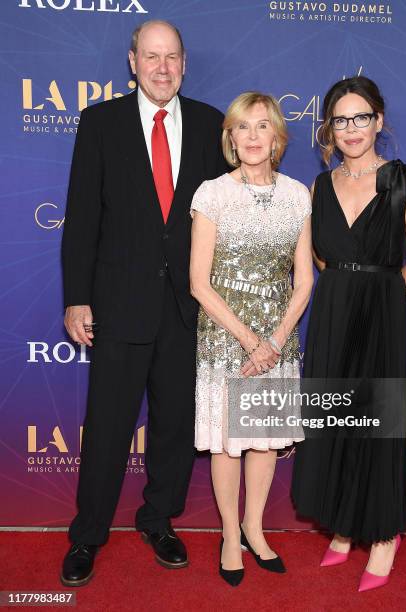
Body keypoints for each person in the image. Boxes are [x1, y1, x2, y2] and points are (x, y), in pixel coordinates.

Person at [60, 20, 227, 587]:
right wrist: (77, 299)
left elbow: (225, 217)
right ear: (132, 61)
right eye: (151, 57)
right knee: (107, 427)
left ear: (184, 62)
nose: (162, 68)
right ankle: (87, 535)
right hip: (119, 305)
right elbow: (82, 219)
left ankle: (159, 519)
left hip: (188, 309)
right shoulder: (100, 122)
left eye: (172, 57)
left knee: (175, 427)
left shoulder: (211, 125)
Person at [291, 76, 406, 592]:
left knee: (377, 421)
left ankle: (382, 535)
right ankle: (346, 523)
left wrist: (380, 290)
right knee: (335, 417)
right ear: (329, 127)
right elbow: (322, 256)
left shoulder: (403, 185)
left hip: (381, 311)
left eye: (361, 117)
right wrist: (346, 285)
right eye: (341, 119)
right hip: (333, 308)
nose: (351, 128)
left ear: (379, 120)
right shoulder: (318, 187)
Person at [190, 92, 313, 586]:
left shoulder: (298, 195)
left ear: (278, 137)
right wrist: (248, 340)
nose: (254, 137)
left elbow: (304, 280)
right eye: (244, 127)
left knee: (264, 442)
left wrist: (275, 341)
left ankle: (254, 528)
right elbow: (199, 281)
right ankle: (227, 534)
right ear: (231, 138)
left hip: (278, 341)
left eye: (263, 127)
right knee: (229, 444)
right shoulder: (213, 193)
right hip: (225, 341)